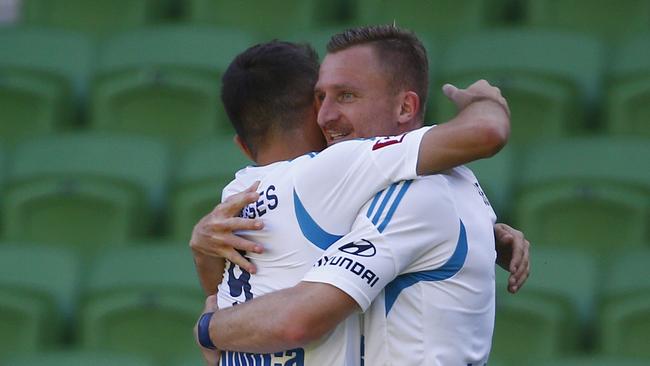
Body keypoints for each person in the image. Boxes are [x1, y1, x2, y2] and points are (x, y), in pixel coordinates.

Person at [193, 25, 529, 365]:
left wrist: (207, 327)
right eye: (320, 98)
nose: (325, 116)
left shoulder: (240, 191)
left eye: (346, 96)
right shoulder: (448, 184)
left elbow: (296, 320)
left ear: (404, 108)